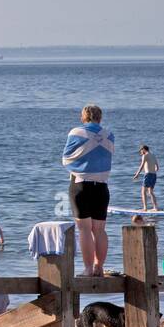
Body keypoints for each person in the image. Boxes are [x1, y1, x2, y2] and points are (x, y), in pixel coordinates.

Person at [61, 105, 114, 277]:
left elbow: (66, 158)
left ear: (83, 116)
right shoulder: (109, 135)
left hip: (81, 185)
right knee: (99, 230)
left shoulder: (76, 132)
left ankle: (88, 268)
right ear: (100, 117)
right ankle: (99, 267)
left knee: (84, 229)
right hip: (102, 186)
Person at [132, 145, 160, 212]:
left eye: (141, 150)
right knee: (150, 192)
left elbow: (141, 166)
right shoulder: (153, 155)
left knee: (143, 191)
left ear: (144, 149)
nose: (141, 152)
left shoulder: (145, 156)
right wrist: (153, 169)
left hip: (148, 175)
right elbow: (157, 167)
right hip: (154, 175)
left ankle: (145, 208)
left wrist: (136, 175)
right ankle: (155, 208)